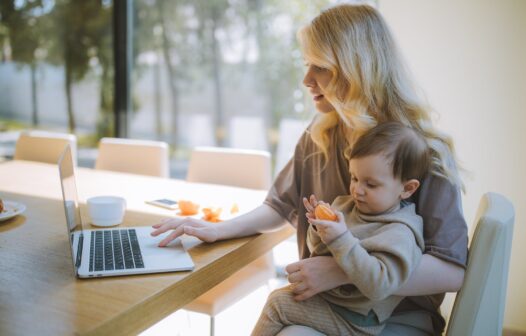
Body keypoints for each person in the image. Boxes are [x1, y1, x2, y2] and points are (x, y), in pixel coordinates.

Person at [151, 4, 468, 335]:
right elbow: (279, 206)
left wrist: (343, 269)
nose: (306, 80)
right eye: (306, 65)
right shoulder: (320, 135)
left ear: (357, 69)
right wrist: (218, 230)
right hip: (329, 302)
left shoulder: (422, 152)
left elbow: (451, 270)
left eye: (320, 67)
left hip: (397, 316)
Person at [251, 122, 430, 336]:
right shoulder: (347, 205)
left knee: (277, 304)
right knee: (280, 299)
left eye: (370, 184)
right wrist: (318, 229)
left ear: (407, 188)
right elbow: (318, 249)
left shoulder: (400, 232)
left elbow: (380, 285)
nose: (357, 190)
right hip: (331, 301)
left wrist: (341, 238)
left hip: (356, 319)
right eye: (354, 178)